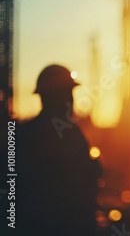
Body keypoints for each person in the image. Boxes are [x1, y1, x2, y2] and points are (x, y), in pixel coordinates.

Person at [17, 64, 102, 236]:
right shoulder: (62, 134)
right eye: (67, 94)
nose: (72, 100)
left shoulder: (28, 134)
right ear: (54, 97)